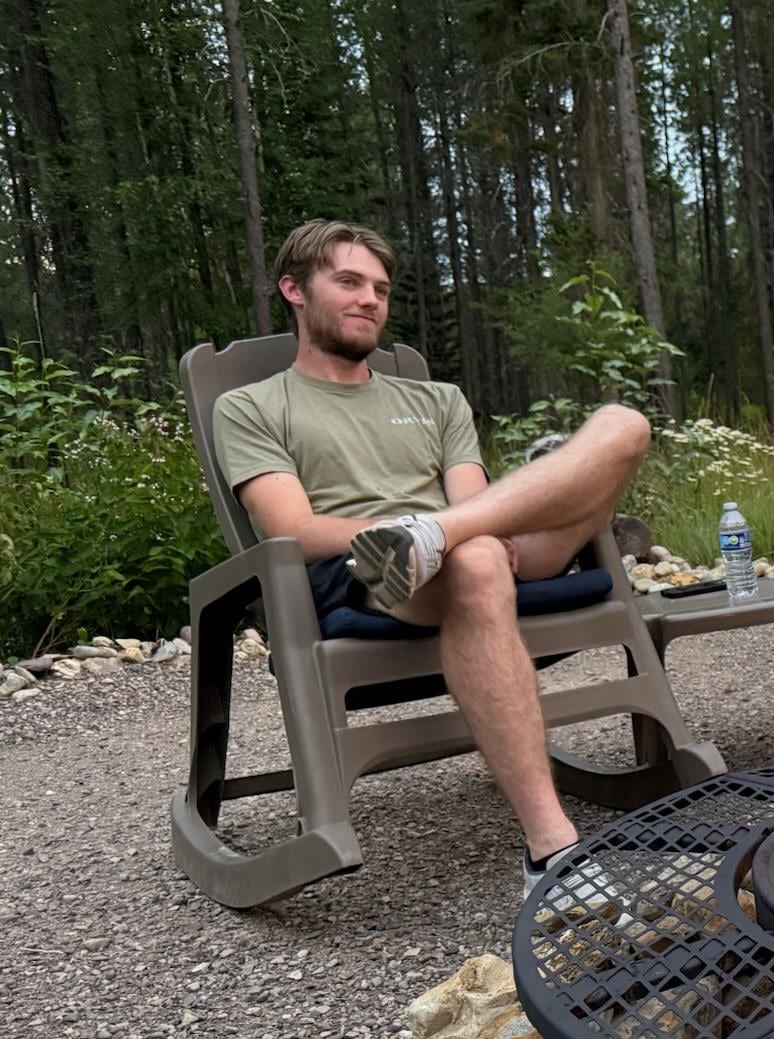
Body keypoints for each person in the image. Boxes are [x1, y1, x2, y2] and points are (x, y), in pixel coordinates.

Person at [212, 218, 652, 892]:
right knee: (473, 559)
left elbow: (477, 507)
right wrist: (437, 534)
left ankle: (439, 535)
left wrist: (445, 531)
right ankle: (553, 851)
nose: (370, 300)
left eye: (382, 290)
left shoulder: (436, 400)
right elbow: (292, 529)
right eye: (350, 282)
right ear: (293, 289)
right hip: (363, 570)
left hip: (470, 543)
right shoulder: (252, 405)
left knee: (624, 425)